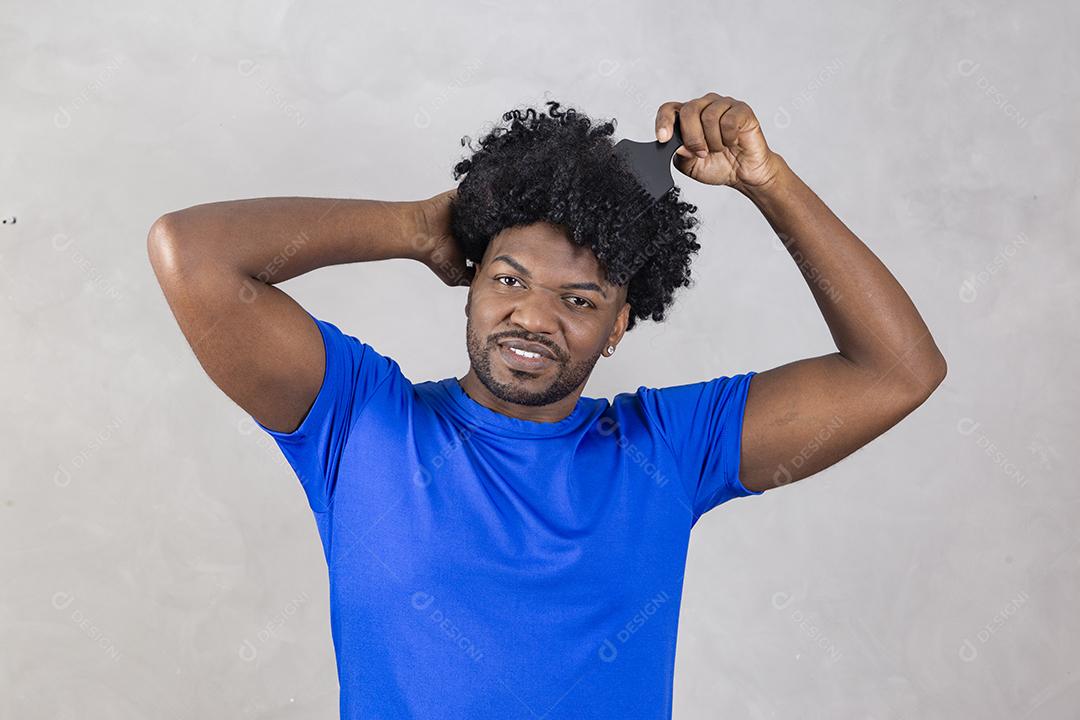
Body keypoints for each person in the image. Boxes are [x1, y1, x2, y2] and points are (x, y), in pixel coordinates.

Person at [147, 94, 946, 719]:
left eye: (578, 297)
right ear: (469, 281)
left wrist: (770, 183)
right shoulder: (357, 421)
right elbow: (191, 254)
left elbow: (898, 370)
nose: (533, 315)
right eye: (508, 278)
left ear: (619, 324)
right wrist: (416, 227)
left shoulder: (669, 448)